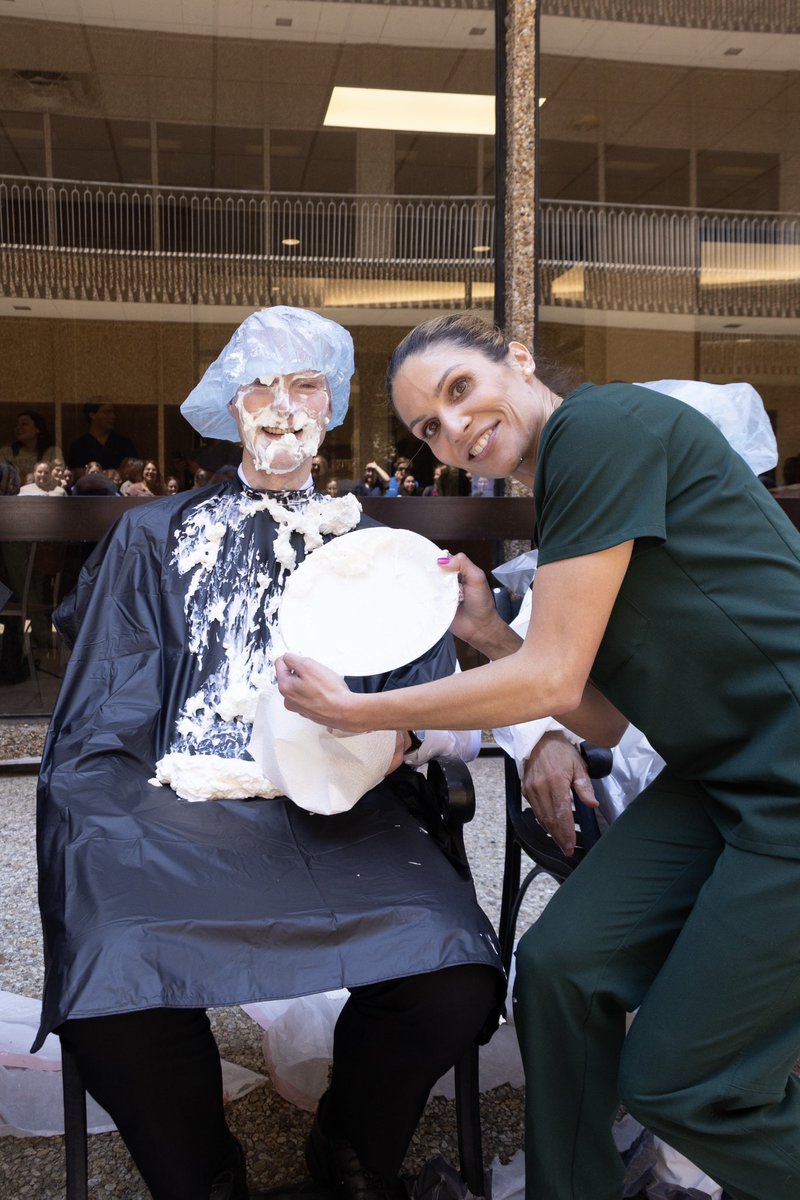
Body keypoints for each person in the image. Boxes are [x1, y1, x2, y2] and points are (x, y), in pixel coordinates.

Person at [276, 311, 800, 1200]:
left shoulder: (601, 428)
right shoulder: (566, 498)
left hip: (786, 767)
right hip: (721, 777)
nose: (456, 429)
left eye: (458, 390)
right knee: (559, 970)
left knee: (682, 1083)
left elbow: (555, 682)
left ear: (516, 359)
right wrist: (484, 629)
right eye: (429, 429)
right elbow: (598, 718)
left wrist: (359, 710)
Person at [36, 306, 502, 1200]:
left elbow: (436, 709)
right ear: (228, 404)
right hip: (174, 808)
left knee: (452, 971)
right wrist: (98, 819)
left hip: (345, 813)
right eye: (262, 386)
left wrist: (401, 733)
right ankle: (203, 1177)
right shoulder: (153, 534)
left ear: (333, 407)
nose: (284, 408)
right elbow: (104, 712)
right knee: (114, 975)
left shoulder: (381, 555)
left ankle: (354, 1148)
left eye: (306, 386)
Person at [67, 397, 139, 473]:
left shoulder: (125, 444)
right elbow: (80, 476)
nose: (113, 417)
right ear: (92, 415)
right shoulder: (79, 447)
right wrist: (117, 472)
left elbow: (132, 473)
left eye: (113, 412)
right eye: (107, 412)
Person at [0, 409, 63, 481]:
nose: (18, 428)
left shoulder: (52, 452)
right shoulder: (6, 452)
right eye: (17, 425)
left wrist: (26, 478)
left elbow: (57, 477)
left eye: (24, 424)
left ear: (38, 429)